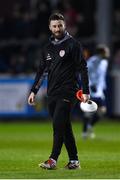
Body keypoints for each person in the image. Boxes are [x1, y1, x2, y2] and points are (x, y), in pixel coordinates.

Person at [28, 13, 90, 170]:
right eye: (54, 26)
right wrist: (34, 90)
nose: (57, 28)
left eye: (60, 25)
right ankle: (74, 161)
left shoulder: (73, 44)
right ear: (50, 27)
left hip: (69, 91)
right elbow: (42, 71)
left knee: (58, 125)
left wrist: (86, 90)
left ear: (65, 25)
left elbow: (83, 68)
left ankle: (52, 160)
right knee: (64, 127)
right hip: (53, 93)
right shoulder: (47, 48)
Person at [81, 44, 110, 139]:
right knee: (88, 112)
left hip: (100, 91)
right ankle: (84, 132)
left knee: (102, 111)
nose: (108, 53)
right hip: (91, 90)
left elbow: (101, 76)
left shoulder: (105, 62)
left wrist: (102, 86)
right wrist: (90, 84)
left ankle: (90, 125)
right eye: (106, 51)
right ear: (101, 52)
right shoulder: (92, 61)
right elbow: (85, 72)